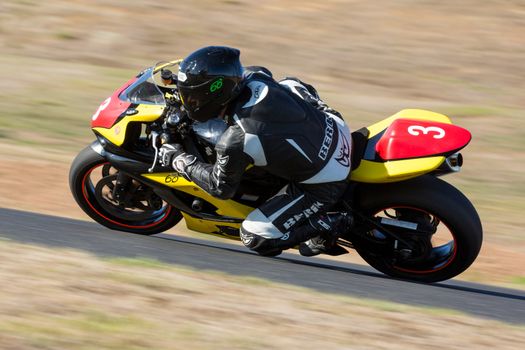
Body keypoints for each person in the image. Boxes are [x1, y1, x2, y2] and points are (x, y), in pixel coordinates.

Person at [159, 46, 353, 257]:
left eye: (192, 97)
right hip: (336, 126)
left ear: (213, 95)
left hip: (326, 180)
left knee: (254, 237)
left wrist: (178, 159)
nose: (189, 101)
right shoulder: (253, 76)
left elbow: (220, 187)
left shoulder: (237, 139)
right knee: (289, 83)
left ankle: (326, 223)